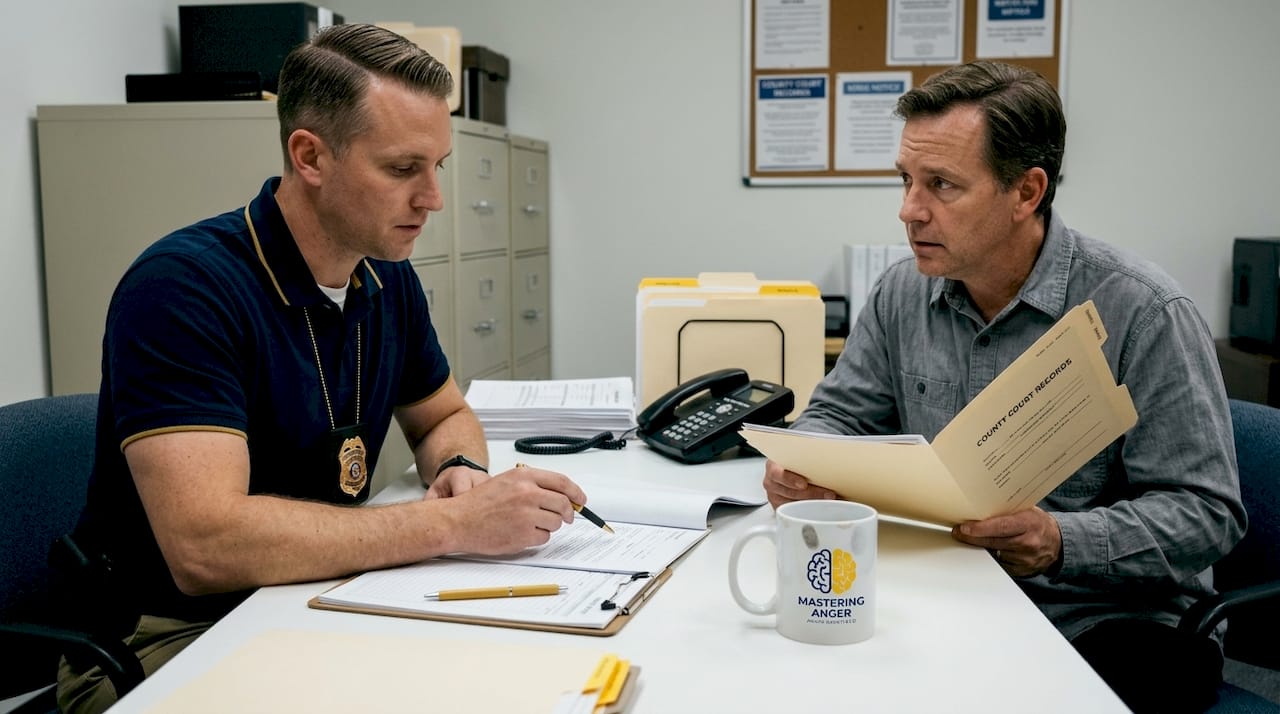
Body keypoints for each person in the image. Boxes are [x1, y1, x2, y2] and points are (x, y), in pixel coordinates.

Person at [57, 24, 590, 713]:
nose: (433, 198)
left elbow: (443, 414)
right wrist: (455, 527)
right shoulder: (182, 289)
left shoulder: (384, 277)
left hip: (315, 596)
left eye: (439, 166)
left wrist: (463, 469)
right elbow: (205, 547)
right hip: (167, 644)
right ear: (309, 155)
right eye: (402, 169)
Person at [763, 61, 1245, 714]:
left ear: (1026, 193)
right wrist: (804, 462)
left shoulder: (1144, 310)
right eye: (906, 181)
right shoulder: (902, 294)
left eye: (942, 185)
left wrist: (1058, 542)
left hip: (1102, 617)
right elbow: (840, 413)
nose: (909, 210)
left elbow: (1207, 513)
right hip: (944, 592)